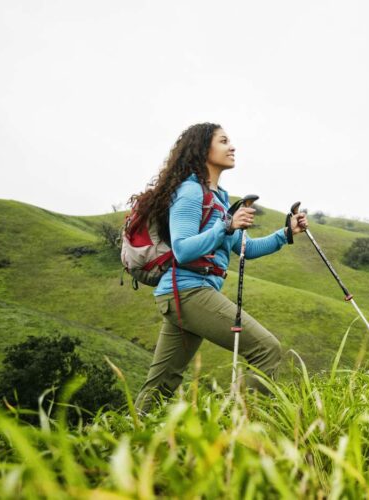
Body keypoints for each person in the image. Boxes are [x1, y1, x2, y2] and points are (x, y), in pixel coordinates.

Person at [132, 122, 308, 413]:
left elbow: (245, 248)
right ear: (203, 149)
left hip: (185, 294)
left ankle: (128, 442)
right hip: (187, 291)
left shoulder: (218, 198)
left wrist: (286, 232)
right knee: (267, 349)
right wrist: (225, 226)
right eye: (224, 141)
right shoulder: (190, 192)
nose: (232, 146)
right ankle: (233, 429)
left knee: (162, 382)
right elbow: (183, 249)